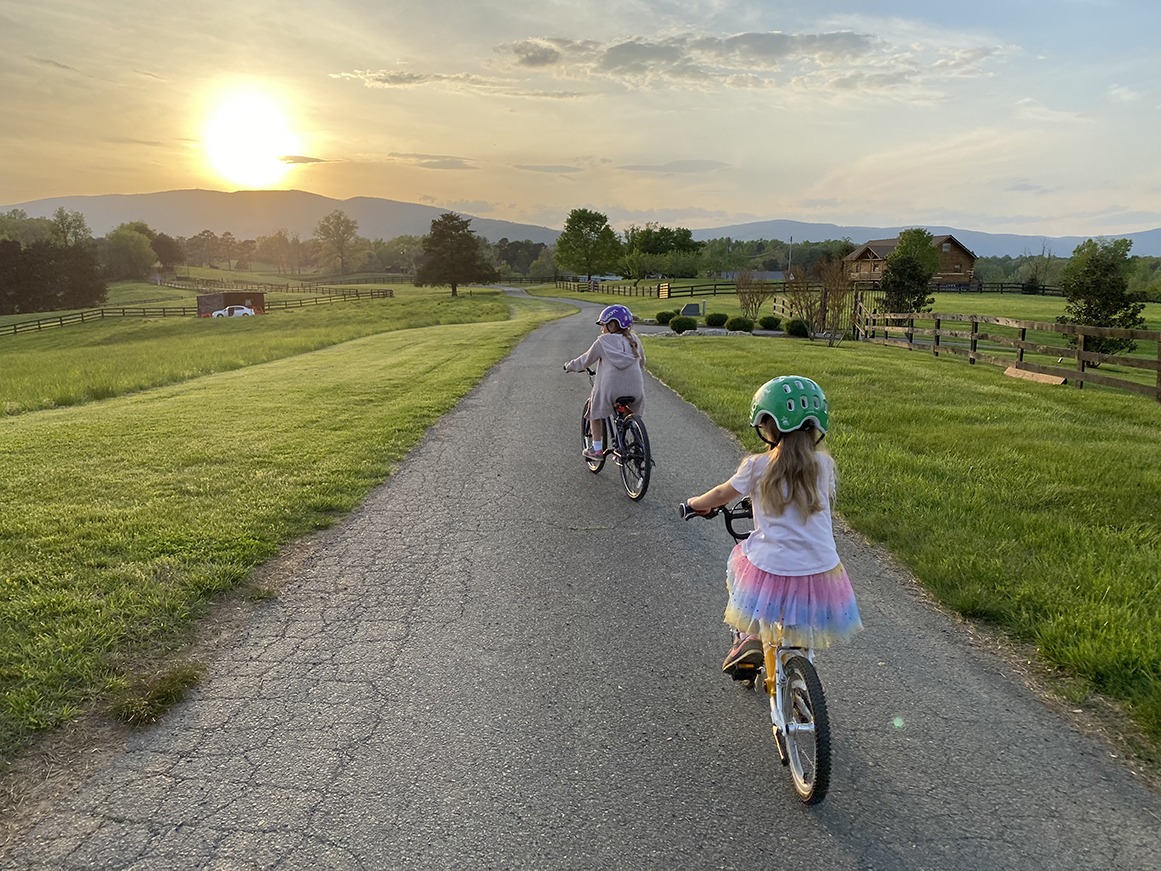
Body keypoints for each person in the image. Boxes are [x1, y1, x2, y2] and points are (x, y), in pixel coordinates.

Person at [683, 376, 862, 676]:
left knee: (740, 562)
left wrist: (695, 503)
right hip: (821, 567)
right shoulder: (824, 466)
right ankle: (800, 671)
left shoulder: (756, 467)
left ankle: (749, 636)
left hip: (773, 565)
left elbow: (721, 494)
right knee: (799, 614)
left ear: (768, 428)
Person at [563, 304, 646, 460]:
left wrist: (569, 366)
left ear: (611, 324)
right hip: (635, 389)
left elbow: (584, 361)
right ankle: (636, 436)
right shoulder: (635, 340)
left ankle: (597, 449)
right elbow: (642, 362)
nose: (602, 329)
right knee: (630, 413)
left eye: (603, 325)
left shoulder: (602, 342)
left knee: (594, 410)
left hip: (611, 390)